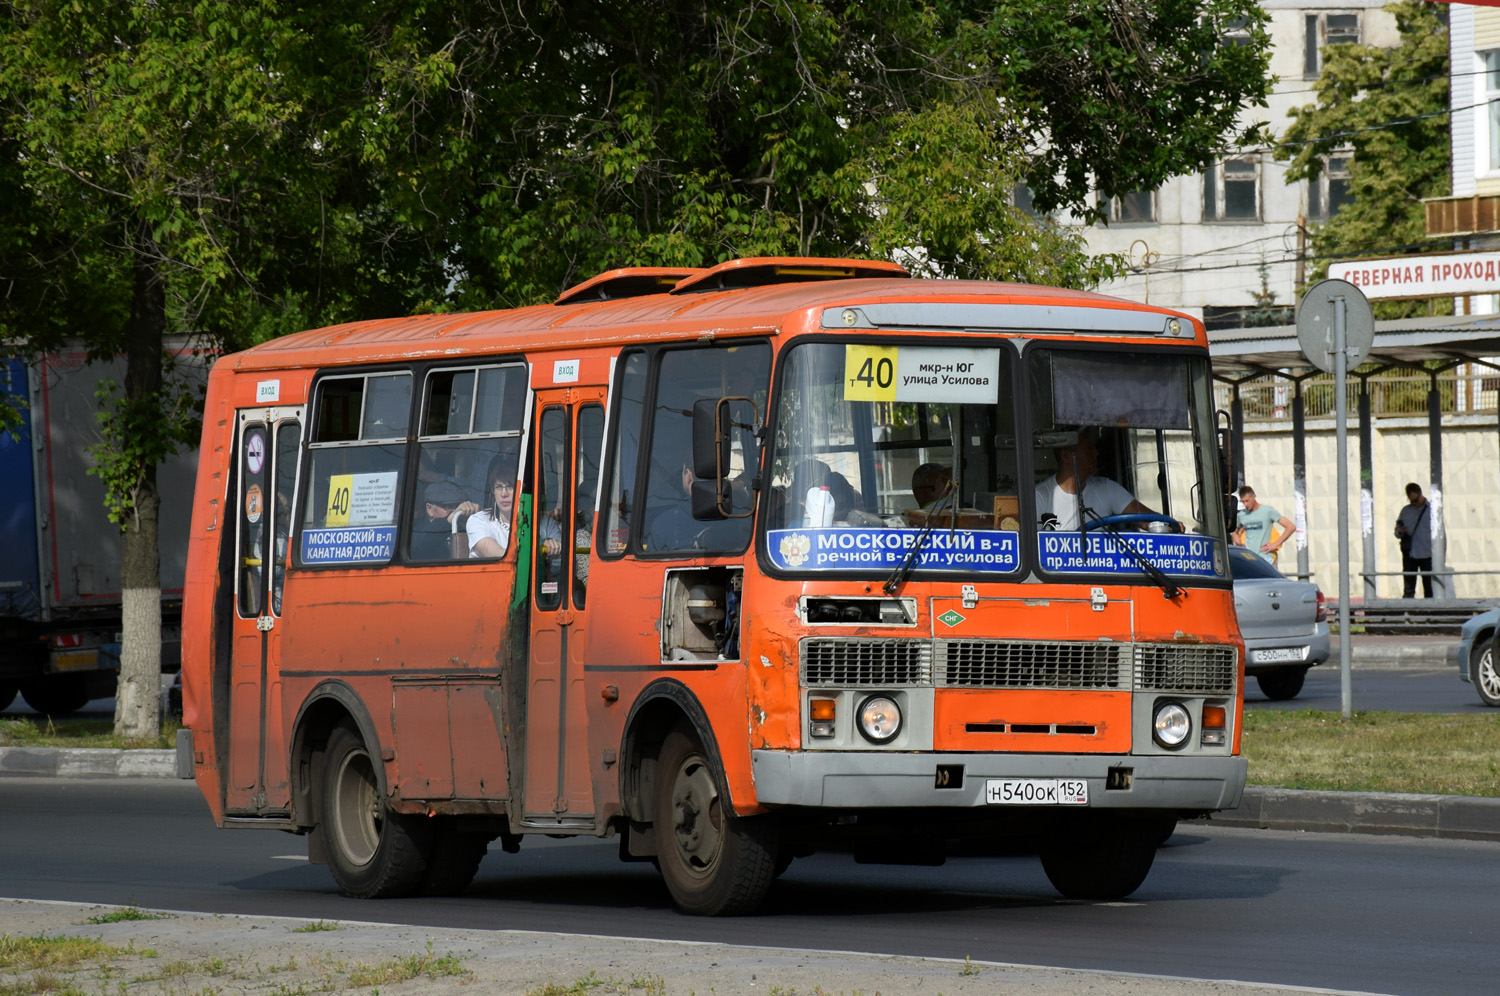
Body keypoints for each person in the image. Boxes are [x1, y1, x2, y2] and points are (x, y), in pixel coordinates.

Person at [1034, 426, 1152, 530]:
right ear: (1066, 456)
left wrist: (1157, 526)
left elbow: (1150, 520)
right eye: (1089, 448)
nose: (1096, 453)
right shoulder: (1040, 497)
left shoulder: (1108, 489)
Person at [468, 454, 561, 560]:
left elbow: (564, 563)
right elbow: (500, 556)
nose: (504, 494)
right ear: (493, 491)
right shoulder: (478, 520)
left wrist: (554, 549)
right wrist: (539, 547)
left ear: (523, 491)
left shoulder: (545, 522)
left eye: (510, 487)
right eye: (498, 487)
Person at [411, 480, 478, 560]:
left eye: (457, 506)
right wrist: (451, 519)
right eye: (449, 506)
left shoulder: (465, 528)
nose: (457, 511)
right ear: (430, 509)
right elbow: (420, 543)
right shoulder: (416, 532)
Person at [1395, 482, 1433, 598]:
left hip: (1427, 553)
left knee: (1429, 585)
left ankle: (1430, 610)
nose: (1414, 504)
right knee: (1409, 585)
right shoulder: (1406, 511)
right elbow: (1397, 532)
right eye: (1411, 501)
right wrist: (1400, 531)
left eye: (1416, 500)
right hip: (1410, 553)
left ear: (1420, 494)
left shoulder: (1432, 510)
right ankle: (1409, 610)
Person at [1236, 486, 1293, 564]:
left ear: (1254, 496)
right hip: (1249, 559)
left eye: (1247, 501)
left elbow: (1291, 527)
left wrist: (1275, 544)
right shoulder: (1242, 515)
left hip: (1266, 558)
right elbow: (1234, 532)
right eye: (1243, 502)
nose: (1245, 504)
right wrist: (1238, 541)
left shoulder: (1267, 511)